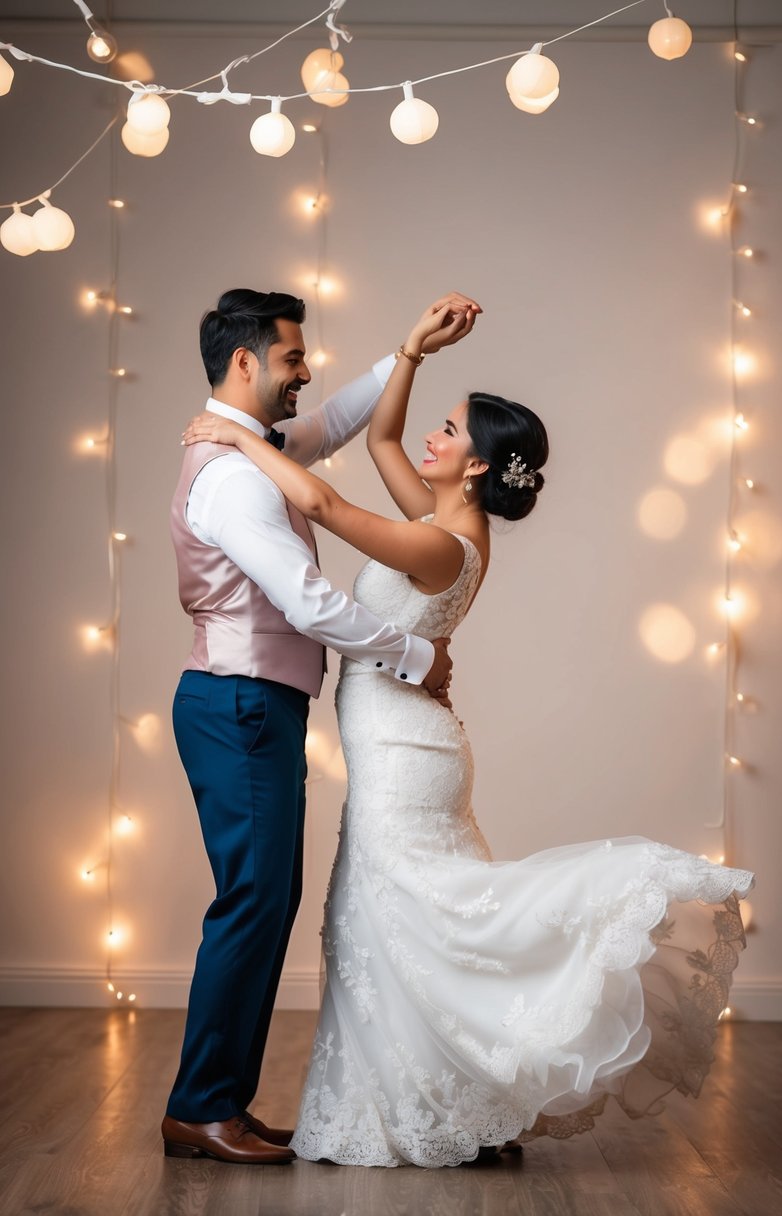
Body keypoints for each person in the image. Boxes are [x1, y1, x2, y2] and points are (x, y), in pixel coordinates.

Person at [183, 299, 755, 1169]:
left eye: (447, 430)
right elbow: (373, 439)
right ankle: (450, 1101)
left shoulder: (444, 545)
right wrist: (408, 352)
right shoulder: (435, 517)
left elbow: (330, 507)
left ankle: (457, 1092)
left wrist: (237, 440)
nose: (428, 437)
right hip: (392, 737)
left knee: (411, 919)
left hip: (405, 748)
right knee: (390, 925)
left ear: (477, 463)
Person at [163, 288, 478, 1166]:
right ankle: (200, 1108)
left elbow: (343, 422)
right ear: (246, 363)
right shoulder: (231, 474)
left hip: (252, 704)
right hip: (238, 702)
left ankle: (218, 1099)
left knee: (266, 901)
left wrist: (410, 350)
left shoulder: (257, 446)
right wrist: (413, 657)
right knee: (256, 902)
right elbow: (304, 602)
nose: (307, 373)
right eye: (294, 359)